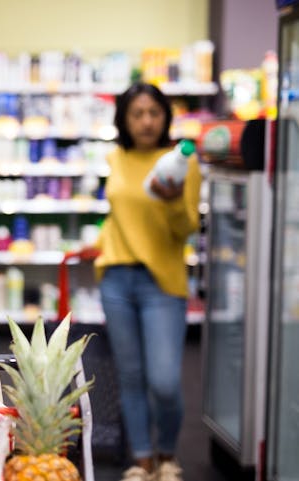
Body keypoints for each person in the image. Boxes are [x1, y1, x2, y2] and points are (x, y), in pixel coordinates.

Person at [93, 82, 202, 481]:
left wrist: (171, 201)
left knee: (164, 380)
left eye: (153, 113)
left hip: (162, 281)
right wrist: (103, 246)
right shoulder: (116, 157)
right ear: (124, 118)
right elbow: (117, 214)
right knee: (131, 376)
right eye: (137, 113)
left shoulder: (182, 163)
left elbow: (186, 227)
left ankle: (167, 455)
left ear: (165, 117)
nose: (145, 121)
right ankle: (141, 460)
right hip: (116, 280)